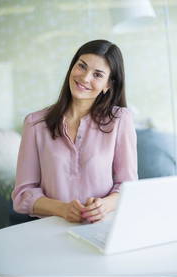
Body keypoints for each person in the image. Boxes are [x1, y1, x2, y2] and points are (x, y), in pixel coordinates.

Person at [11, 39, 138, 224]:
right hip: (48, 231)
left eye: (97, 74)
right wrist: (62, 209)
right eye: (82, 66)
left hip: (103, 229)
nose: (85, 78)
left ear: (108, 85)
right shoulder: (34, 124)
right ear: (72, 67)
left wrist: (105, 205)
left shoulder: (121, 120)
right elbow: (22, 195)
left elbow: (128, 186)